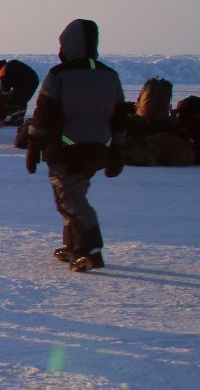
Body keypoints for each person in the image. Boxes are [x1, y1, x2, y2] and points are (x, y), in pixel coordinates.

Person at [25, 19, 128, 271]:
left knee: (69, 199)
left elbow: (44, 113)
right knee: (75, 194)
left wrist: (33, 143)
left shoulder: (59, 75)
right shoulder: (109, 75)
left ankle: (90, 251)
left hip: (66, 147)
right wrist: (117, 150)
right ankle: (73, 246)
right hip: (98, 148)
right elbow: (119, 116)